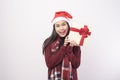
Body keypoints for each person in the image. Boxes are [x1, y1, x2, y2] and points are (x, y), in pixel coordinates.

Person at [42, 11, 81, 80]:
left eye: (63, 24)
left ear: (68, 25)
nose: (61, 28)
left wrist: (70, 48)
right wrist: (64, 46)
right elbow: (50, 64)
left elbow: (76, 64)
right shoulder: (48, 42)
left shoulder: (74, 41)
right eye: (58, 26)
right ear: (54, 28)